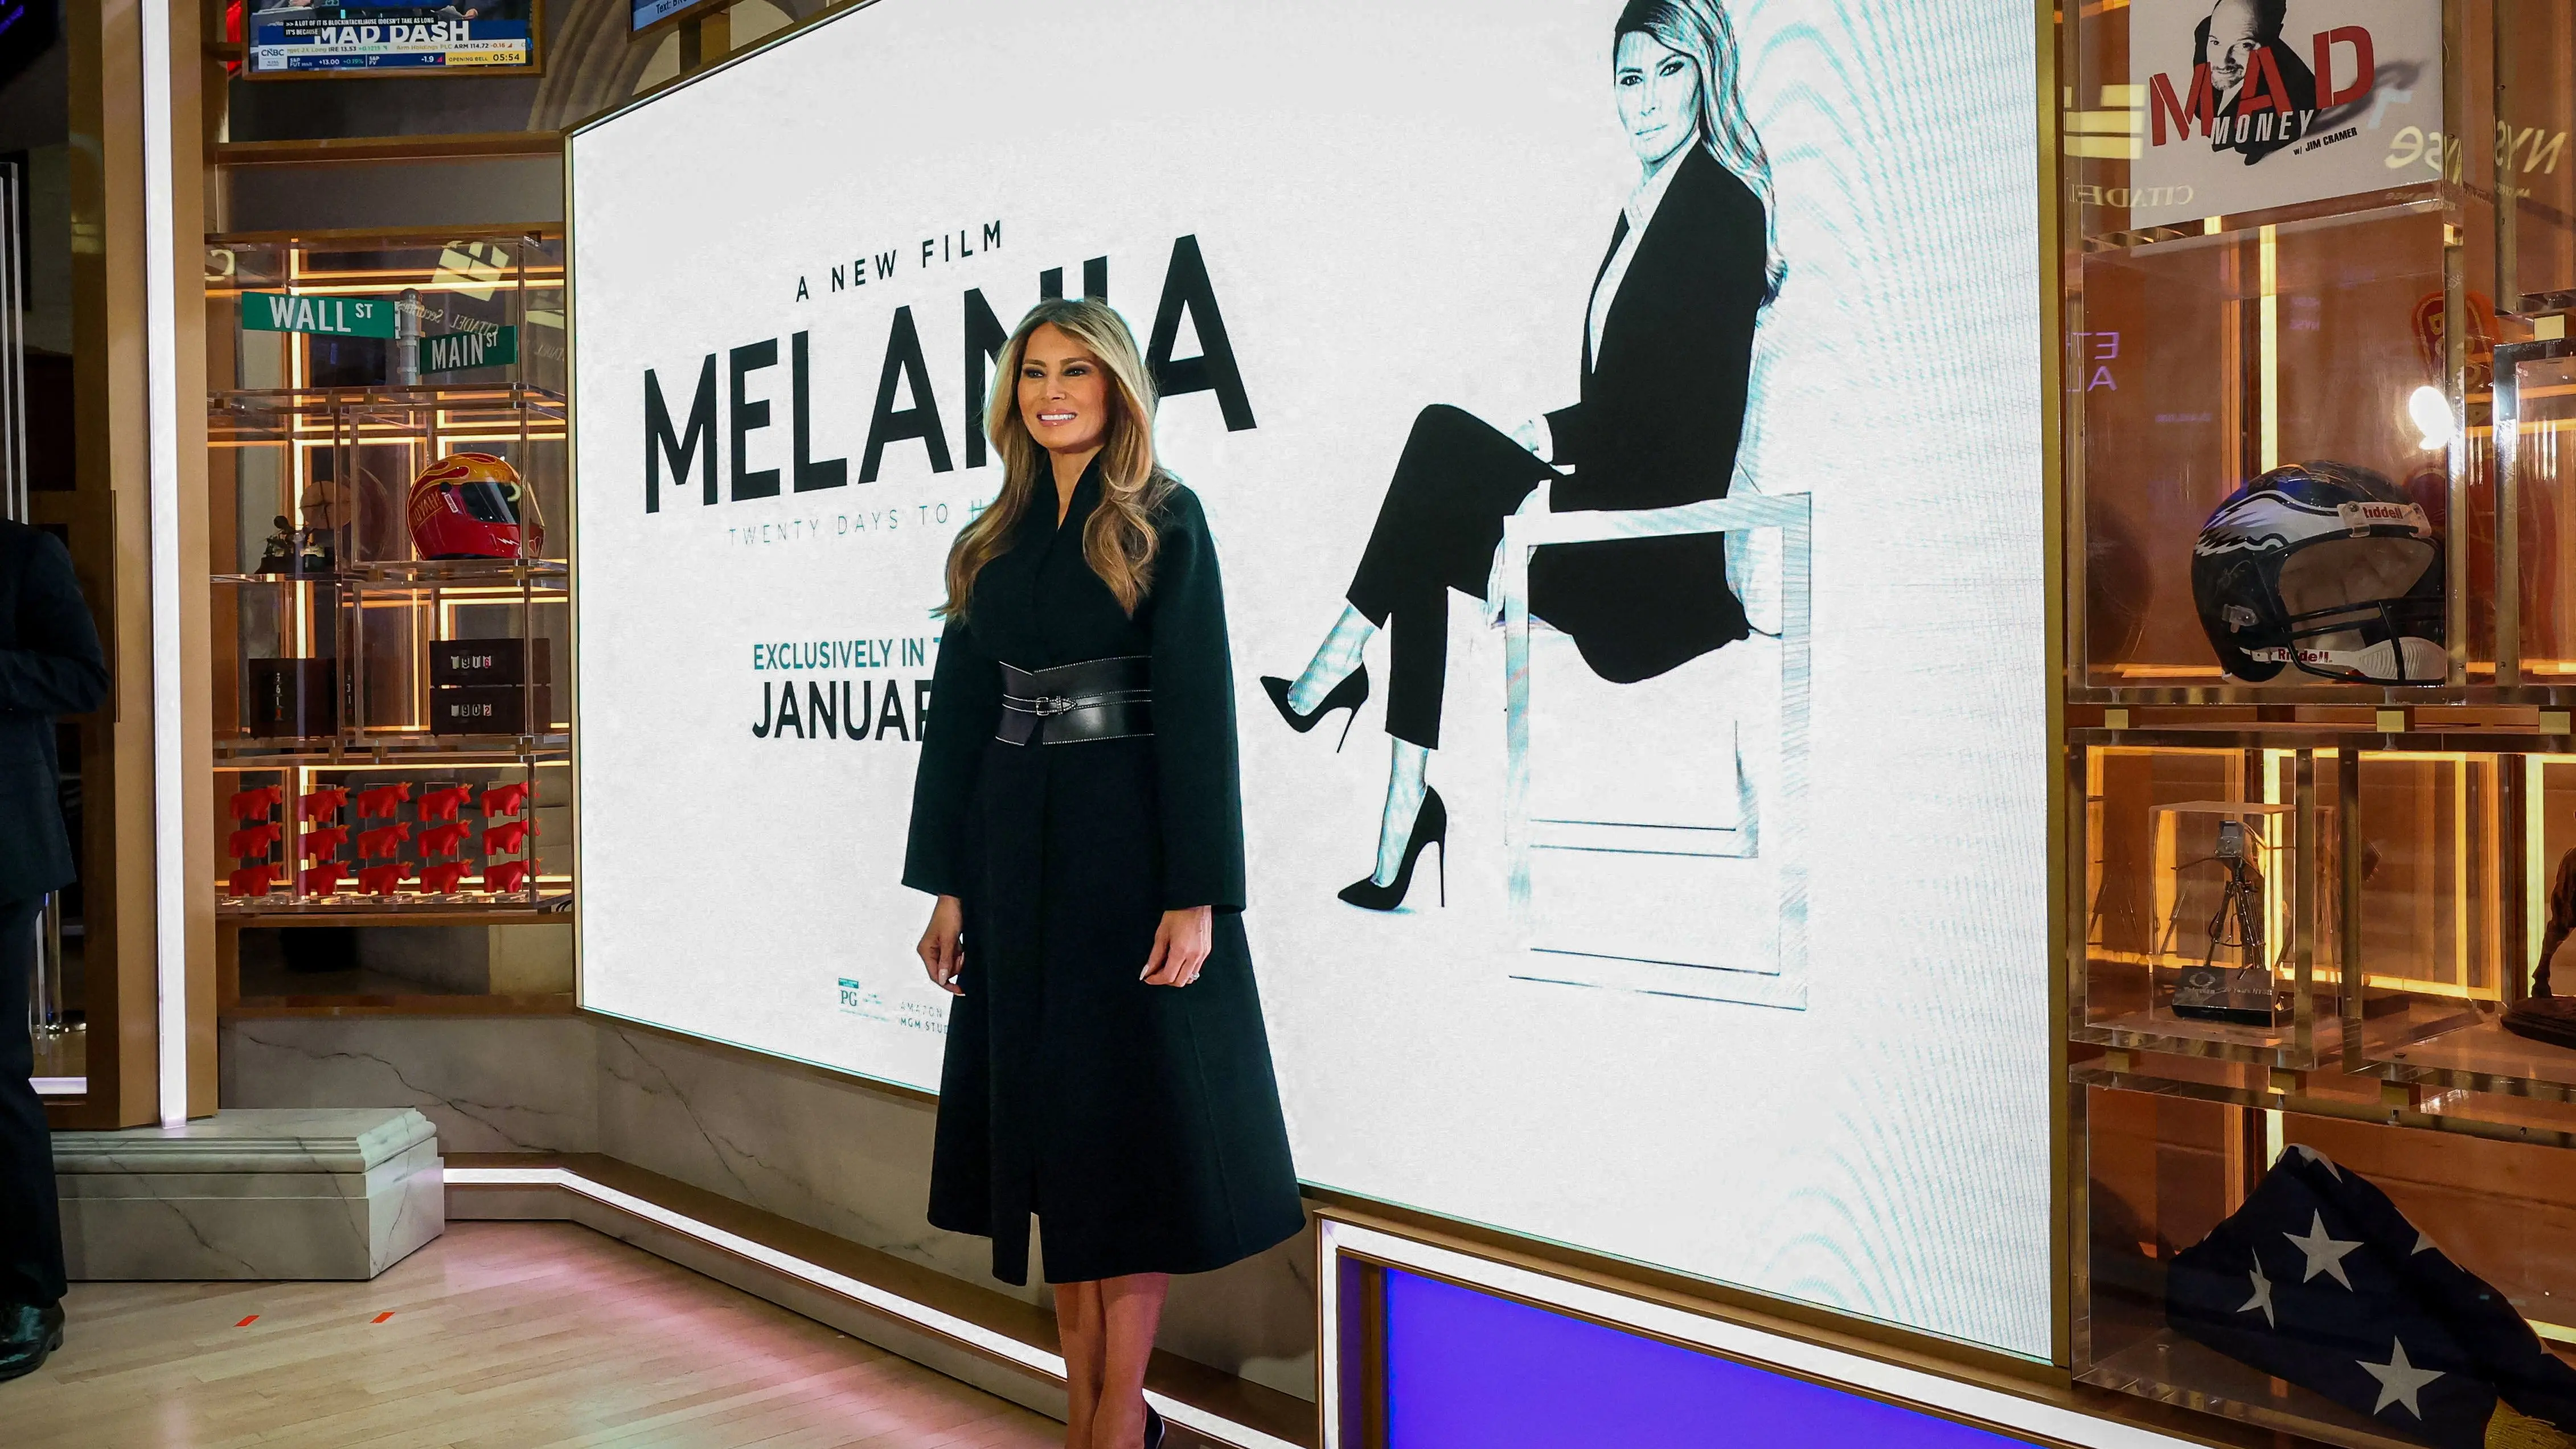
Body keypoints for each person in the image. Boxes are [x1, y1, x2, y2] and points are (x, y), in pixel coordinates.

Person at [1262, 0, 1783, 909]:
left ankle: (1336, 678)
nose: (1650, 101)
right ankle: (1400, 820)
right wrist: (1552, 456)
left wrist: (1548, 450)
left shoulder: (1720, 207)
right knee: (1422, 521)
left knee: (1435, 437)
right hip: (1609, 526)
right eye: (1631, 78)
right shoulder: (1647, 210)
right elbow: (1633, 400)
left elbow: (1686, 430)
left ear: (1708, 74)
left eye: (1672, 71)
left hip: (1654, 564)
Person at [904, 298, 1302, 1449]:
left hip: (1128, 859)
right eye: (1033, 372)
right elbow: (959, 721)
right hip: (1014, 853)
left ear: (1118, 384)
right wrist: (948, 884)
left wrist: (1198, 893)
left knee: (1124, 1142)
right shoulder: (996, 533)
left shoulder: (1167, 520)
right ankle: (1082, 1404)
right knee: (1055, 1139)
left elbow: (1198, 714)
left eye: (1076, 368)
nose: (1051, 389)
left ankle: (1120, 1414)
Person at [0, 518, 108, 1385]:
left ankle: (36, 1293)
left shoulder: (23, 553)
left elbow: (84, 677)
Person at [2193, 0, 2318, 165]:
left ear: (2274, 37)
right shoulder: (2205, 32)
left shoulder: (2303, 98)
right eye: (2216, 42)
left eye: (2245, 45)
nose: (2222, 62)